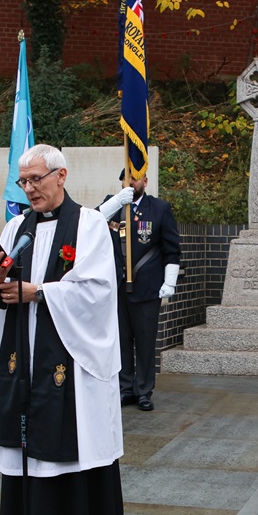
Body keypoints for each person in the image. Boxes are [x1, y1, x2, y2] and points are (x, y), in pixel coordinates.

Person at [0, 144, 124, 515]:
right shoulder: (16, 227)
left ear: (61, 175)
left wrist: (39, 292)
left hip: (70, 356)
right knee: (25, 445)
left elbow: (98, 290)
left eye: (36, 179)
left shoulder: (89, 225)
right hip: (22, 353)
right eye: (23, 181)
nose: (29, 188)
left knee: (68, 445)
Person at [97, 169, 181, 411]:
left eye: (135, 178)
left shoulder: (159, 208)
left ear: (145, 181)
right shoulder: (112, 205)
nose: (131, 182)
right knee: (121, 341)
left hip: (147, 287)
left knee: (145, 342)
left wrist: (170, 282)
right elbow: (89, 224)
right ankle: (125, 388)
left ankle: (144, 390)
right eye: (126, 178)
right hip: (117, 287)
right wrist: (116, 202)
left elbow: (171, 249)